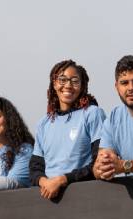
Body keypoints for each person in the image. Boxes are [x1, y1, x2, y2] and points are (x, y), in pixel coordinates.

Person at [30, 59, 105, 201]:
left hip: (84, 197)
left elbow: (98, 163)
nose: (68, 85)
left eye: (75, 81)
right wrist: (45, 182)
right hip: (49, 199)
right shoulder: (43, 124)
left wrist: (62, 180)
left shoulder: (93, 114)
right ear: (54, 83)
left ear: (82, 86)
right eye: (62, 80)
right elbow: (35, 168)